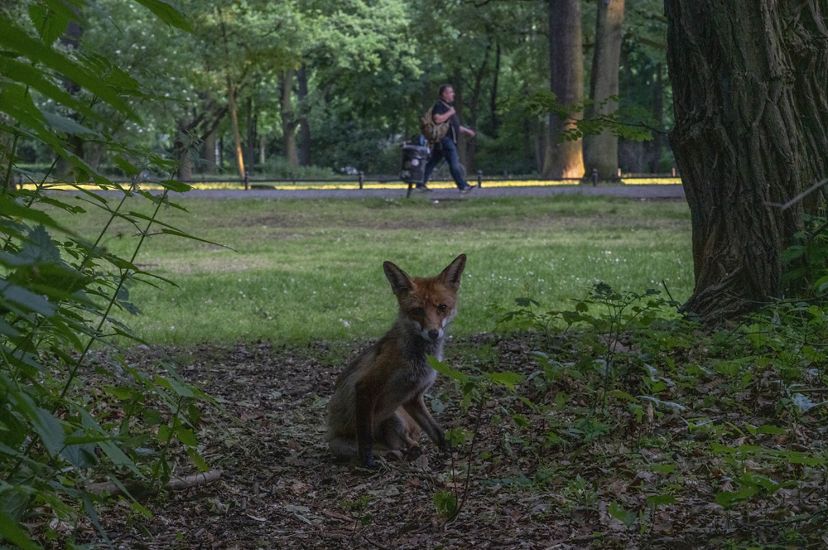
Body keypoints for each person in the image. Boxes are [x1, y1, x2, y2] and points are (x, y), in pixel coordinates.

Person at [418, 85, 477, 193]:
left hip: (443, 140)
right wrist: (450, 112)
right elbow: (437, 119)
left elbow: (453, 126)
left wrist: (467, 131)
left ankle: (420, 183)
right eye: (450, 92)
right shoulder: (440, 105)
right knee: (454, 163)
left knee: (432, 162)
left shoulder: (447, 107)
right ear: (444, 94)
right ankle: (463, 186)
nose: (453, 94)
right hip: (445, 140)